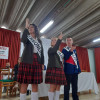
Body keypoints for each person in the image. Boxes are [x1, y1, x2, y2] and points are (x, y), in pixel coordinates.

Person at [17, 18, 44, 100]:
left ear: (35, 29)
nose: (30, 28)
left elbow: (41, 52)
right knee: (24, 83)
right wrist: (26, 26)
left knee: (35, 84)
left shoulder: (39, 40)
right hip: (26, 61)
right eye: (29, 27)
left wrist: (42, 63)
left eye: (32, 27)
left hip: (37, 61)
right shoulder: (27, 37)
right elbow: (23, 40)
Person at [45, 33, 67, 100]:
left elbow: (63, 59)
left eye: (55, 40)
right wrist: (59, 40)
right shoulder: (50, 49)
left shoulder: (59, 52)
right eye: (52, 40)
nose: (54, 41)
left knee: (58, 87)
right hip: (53, 69)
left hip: (60, 69)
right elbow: (54, 49)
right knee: (52, 87)